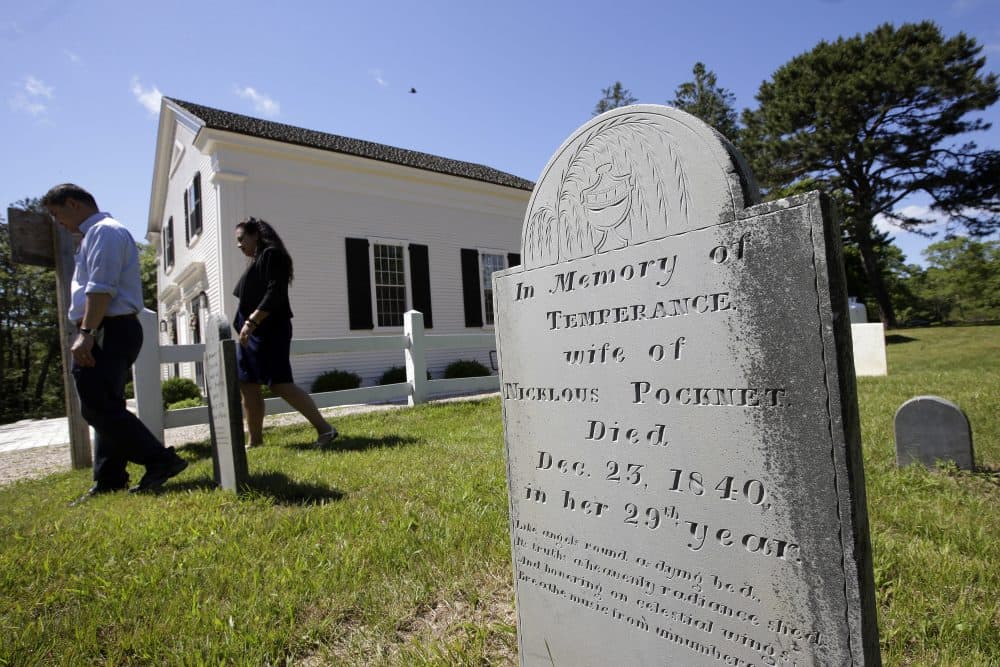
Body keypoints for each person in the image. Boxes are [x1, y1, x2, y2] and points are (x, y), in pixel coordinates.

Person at [42, 184, 187, 499]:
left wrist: (87, 333)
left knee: (96, 406)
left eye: (56, 214)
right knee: (107, 405)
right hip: (110, 327)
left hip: (108, 326)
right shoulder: (96, 235)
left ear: (72, 204)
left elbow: (102, 287)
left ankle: (161, 460)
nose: (58, 222)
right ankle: (109, 479)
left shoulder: (104, 232)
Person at [232, 217, 337, 447]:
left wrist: (251, 322)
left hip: (268, 330)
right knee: (248, 384)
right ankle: (255, 441)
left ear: (255, 236)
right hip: (250, 335)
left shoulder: (272, 255)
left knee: (279, 383)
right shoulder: (258, 261)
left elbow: (275, 293)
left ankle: (325, 429)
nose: (239, 244)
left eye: (241, 239)